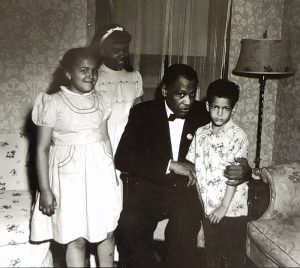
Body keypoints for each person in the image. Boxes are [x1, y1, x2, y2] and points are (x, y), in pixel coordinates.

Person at [114, 64, 251, 268]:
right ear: (165, 91)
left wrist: (245, 170)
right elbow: (123, 157)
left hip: (187, 192)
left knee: (181, 231)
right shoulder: (142, 113)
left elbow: (231, 148)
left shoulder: (205, 113)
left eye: (192, 94)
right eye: (181, 94)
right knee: (129, 227)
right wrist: (170, 164)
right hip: (150, 190)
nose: (188, 101)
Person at [30, 47, 121, 267]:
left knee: (106, 231)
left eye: (94, 70)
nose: (91, 75)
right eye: (83, 70)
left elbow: (105, 138)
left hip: (99, 173)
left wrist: (113, 174)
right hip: (68, 177)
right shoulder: (53, 103)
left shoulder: (102, 101)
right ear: (68, 73)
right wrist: (45, 190)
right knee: (76, 237)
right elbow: (41, 149)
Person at [186, 79, 249, 268]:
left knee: (233, 257)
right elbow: (194, 168)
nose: (220, 113)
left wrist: (223, 206)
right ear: (207, 106)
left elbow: (234, 175)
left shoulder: (238, 136)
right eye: (215, 107)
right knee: (211, 256)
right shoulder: (200, 133)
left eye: (226, 109)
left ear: (233, 109)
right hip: (209, 209)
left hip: (231, 210)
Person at [90, 23, 143, 156]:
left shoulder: (135, 77)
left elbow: (140, 111)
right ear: (102, 51)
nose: (123, 55)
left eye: (125, 50)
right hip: (102, 137)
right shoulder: (94, 77)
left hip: (129, 137)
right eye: (116, 51)